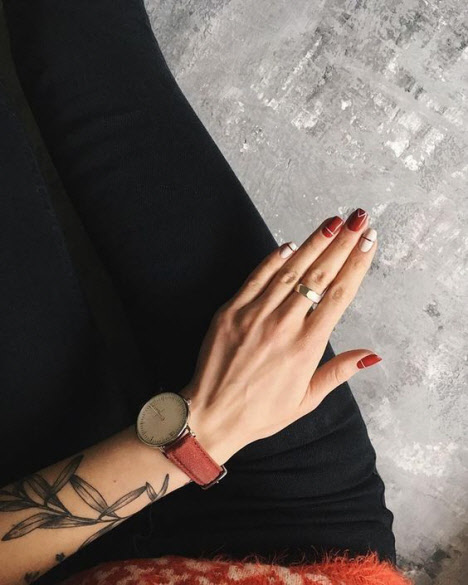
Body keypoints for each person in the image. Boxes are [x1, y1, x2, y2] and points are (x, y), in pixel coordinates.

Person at [0, 2, 403, 584]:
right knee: (106, 79)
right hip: (305, 545)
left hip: (36, 538)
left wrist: (207, 431)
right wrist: (216, 422)